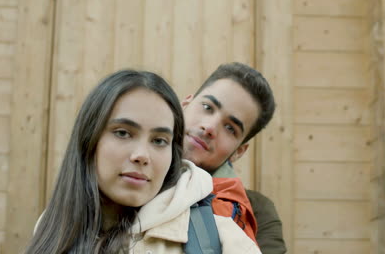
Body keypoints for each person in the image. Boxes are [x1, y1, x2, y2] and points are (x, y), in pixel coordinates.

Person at [25, 70, 260, 253]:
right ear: (89, 138)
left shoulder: (221, 237)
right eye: (123, 133)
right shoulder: (50, 227)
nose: (142, 155)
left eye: (159, 140)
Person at [181, 62, 287, 253]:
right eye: (207, 107)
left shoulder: (257, 212)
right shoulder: (130, 172)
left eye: (230, 128)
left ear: (239, 151)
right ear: (185, 105)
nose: (210, 127)